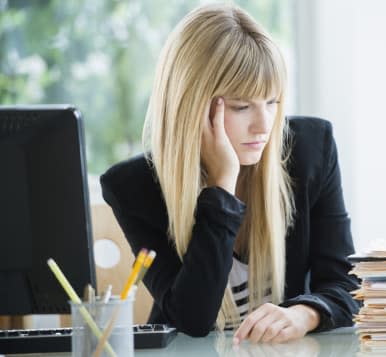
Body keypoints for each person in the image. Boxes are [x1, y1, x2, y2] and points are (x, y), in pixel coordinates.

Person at [100, 3, 359, 344]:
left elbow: (347, 285)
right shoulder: (133, 188)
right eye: (241, 106)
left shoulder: (311, 150)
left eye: (272, 102)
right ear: (191, 106)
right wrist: (222, 185)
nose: (264, 126)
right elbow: (192, 319)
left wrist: (303, 313)